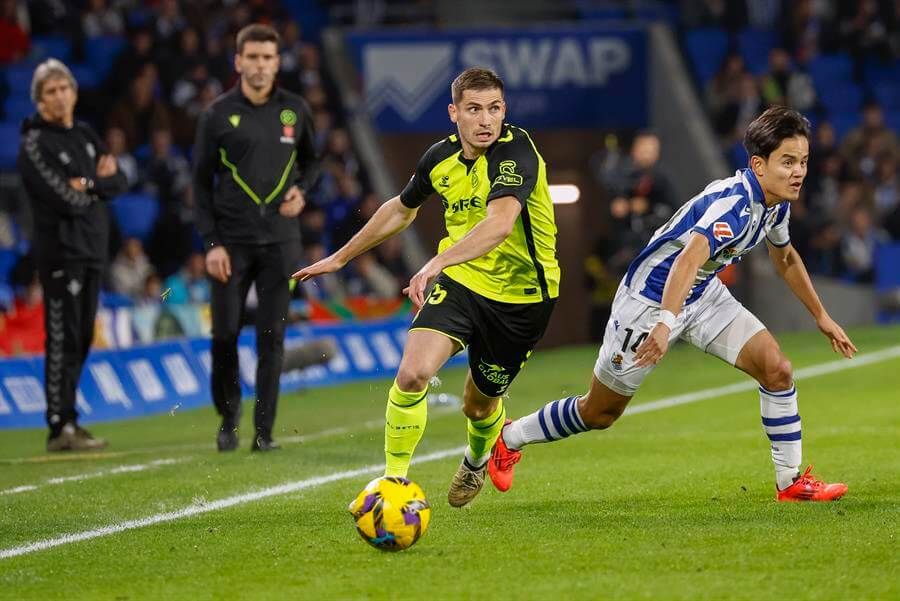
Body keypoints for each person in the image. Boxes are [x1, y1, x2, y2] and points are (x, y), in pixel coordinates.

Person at [489, 106, 857, 503]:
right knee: (599, 413)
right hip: (648, 303)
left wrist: (821, 316)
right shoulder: (732, 206)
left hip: (702, 294)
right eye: (788, 162)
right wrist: (665, 324)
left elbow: (784, 257)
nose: (798, 171)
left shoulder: (776, 203)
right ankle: (509, 438)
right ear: (758, 165)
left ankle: (790, 483)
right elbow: (688, 259)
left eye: (802, 161)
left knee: (777, 369)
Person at [295, 67, 559, 507]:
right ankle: (393, 485)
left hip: (523, 297)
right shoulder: (440, 158)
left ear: (504, 111)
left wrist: (435, 260)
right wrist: (340, 257)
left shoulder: (516, 151)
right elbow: (400, 210)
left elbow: (499, 224)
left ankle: (477, 459)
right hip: (463, 283)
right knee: (413, 373)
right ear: (454, 112)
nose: (486, 120)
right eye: (474, 109)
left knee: (478, 405)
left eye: (494, 108)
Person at [193, 24, 318, 452]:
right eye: (253, 57)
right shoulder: (216, 114)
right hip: (231, 243)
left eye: (268, 58)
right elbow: (198, 185)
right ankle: (228, 418)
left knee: (272, 336)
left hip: (281, 242)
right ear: (238, 62)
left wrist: (304, 190)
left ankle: (265, 433)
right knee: (224, 334)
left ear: (277, 62)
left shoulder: (296, 110)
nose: (260, 65)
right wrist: (212, 244)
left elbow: (313, 163)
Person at [17, 58, 128, 451]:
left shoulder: (84, 134)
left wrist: (88, 184)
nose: (60, 96)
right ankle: (57, 425)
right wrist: (95, 186)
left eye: (65, 88)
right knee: (62, 339)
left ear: (75, 93)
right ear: (39, 101)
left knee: (82, 339)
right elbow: (63, 198)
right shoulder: (35, 143)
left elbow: (120, 180)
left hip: (93, 251)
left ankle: (69, 418)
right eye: (51, 91)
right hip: (61, 255)